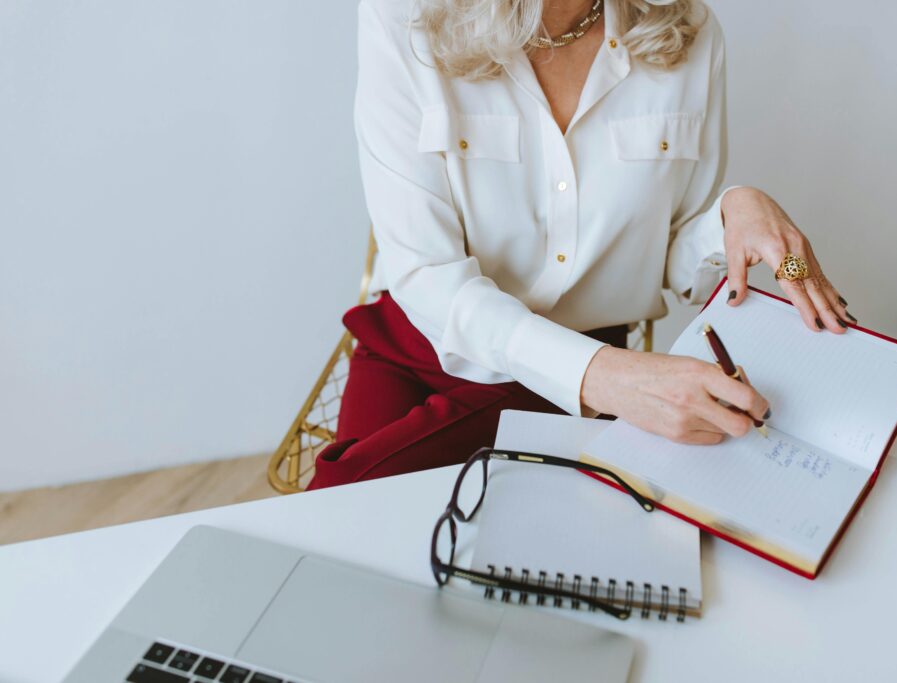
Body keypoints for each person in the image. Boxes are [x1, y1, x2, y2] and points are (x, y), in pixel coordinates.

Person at [307, 0, 857, 490]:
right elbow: (428, 275)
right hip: (421, 348)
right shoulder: (404, 17)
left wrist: (736, 211)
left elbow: (672, 253)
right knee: (339, 505)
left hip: (584, 375)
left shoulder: (689, 31)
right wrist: (605, 378)